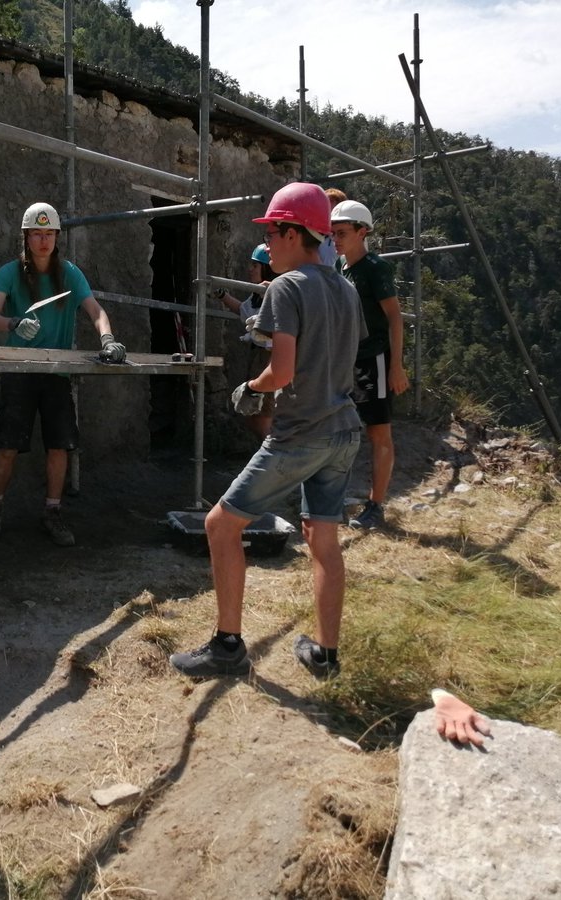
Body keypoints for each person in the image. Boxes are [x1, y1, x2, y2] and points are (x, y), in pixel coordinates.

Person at [170, 183, 365, 679]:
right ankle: (325, 655)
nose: (268, 244)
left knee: (219, 525)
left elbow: (281, 371)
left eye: (273, 232)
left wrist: (251, 387)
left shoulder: (286, 287)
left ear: (294, 232)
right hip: (344, 430)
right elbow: (342, 356)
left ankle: (228, 646)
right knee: (322, 538)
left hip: (301, 434)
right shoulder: (346, 288)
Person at [0, 202, 126, 547]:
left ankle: (53, 512)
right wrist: (14, 323)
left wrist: (107, 338)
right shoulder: (9, 273)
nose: (43, 241)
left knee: (60, 445)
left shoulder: (71, 274)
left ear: (57, 237)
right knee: (7, 444)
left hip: (57, 372)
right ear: (26, 237)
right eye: (36, 234)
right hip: (20, 369)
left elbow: (95, 310)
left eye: (49, 234)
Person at [331, 200, 409, 530]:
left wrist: (396, 366)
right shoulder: (340, 268)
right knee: (340, 429)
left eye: (343, 233)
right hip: (346, 359)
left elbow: (394, 317)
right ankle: (333, 500)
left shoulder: (376, 269)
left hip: (374, 358)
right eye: (333, 233)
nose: (336, 239)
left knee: (378, 432)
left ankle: (375, 506)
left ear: (363, 232)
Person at [218, 243, 276, 438]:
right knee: (253, 411)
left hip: (271, 356)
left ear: (267, 268)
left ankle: (270, 454)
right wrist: (222, 295)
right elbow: (243, 311)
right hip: (257, 355)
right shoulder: (257, 295)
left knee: (264, 413)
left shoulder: (277, 293)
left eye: (255, 265)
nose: (250, 269)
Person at [318, 188, 348, 268]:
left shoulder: (351, 234)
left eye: (333, 208)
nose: (329, 212)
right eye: (325, 206)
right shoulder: (315, 234)